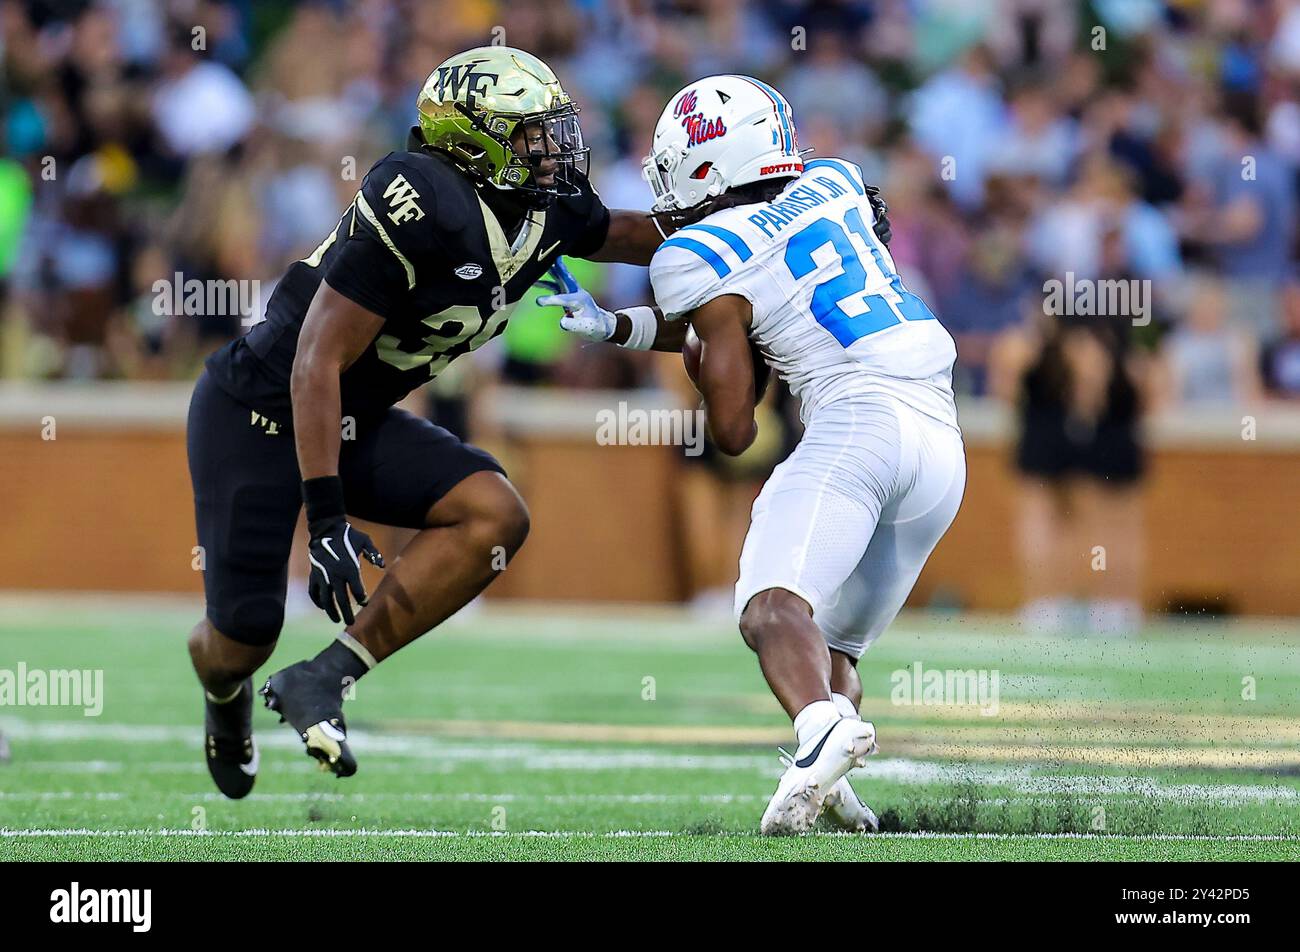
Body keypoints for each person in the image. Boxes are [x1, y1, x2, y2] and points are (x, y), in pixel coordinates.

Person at [186, 46, 661, 797]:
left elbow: (633, 233)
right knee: (241, 637)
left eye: (552, 130)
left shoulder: (548, 210)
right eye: (532, 134)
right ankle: (224, 696)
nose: (553, 150)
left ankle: (326, 677)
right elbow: (316, 362)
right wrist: (328, 519)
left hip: (354, 417)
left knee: (492, 514)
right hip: (260, 411)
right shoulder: (418, 199)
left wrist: (747, 224)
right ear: (474, 140)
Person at [538, 76, 965, 834]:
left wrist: (702, 363)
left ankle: (823, 735)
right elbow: (770, 292)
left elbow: (734, 429)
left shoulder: (700, 255)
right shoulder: (835, 179)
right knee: (828, 642)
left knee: (771, 610)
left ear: (708, 166)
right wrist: (618, 328)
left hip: (859, 425)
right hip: (939, 440)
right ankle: (830, 786)